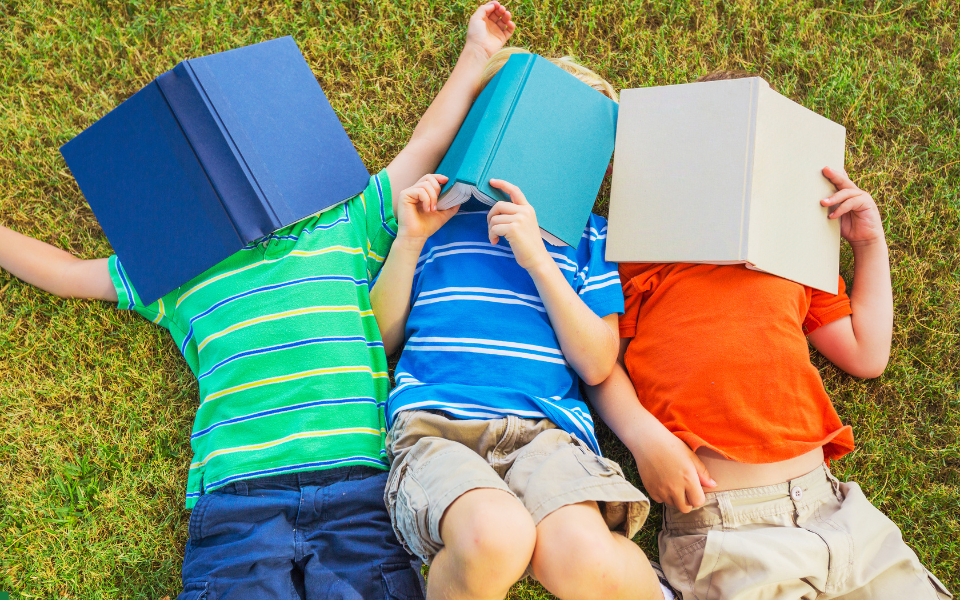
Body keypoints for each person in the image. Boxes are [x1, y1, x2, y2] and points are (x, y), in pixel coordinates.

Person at [0, 4, 515, 599]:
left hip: (358, 489)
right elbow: (65, 273)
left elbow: (426, 143)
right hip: (237, 502)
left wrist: (475, 55)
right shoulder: (174, 269)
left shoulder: (346, 224)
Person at [586, 71, 952, 600]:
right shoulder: (636, 252)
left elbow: (867, 353)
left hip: (835, 512)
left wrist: (870, 246)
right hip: (726, 526)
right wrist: (645, 439)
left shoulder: (792, 255)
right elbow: (600, 367)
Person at [369, 47, 671, 600]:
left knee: (584, 558)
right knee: (495, 536)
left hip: (547, 438)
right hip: (437, 430)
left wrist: (539, 259)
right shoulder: (436, 218)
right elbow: (380, 339)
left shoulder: (589, 237)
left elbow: (600, 361)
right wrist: (410, 239)